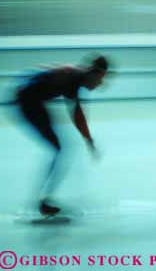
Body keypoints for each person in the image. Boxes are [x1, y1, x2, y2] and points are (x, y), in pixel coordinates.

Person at [16, 55, 108, 215]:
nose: (100, 84)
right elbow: (77, 114)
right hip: (28, 100)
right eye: (100, 79)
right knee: (60, 148)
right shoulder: (73, 78)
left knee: (61, 148)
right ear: (93, 73)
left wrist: (88, 139)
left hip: (31, 98)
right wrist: (89, 140)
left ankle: (45, 199)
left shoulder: (76, 76)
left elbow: (77, 114)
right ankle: (44, 200)